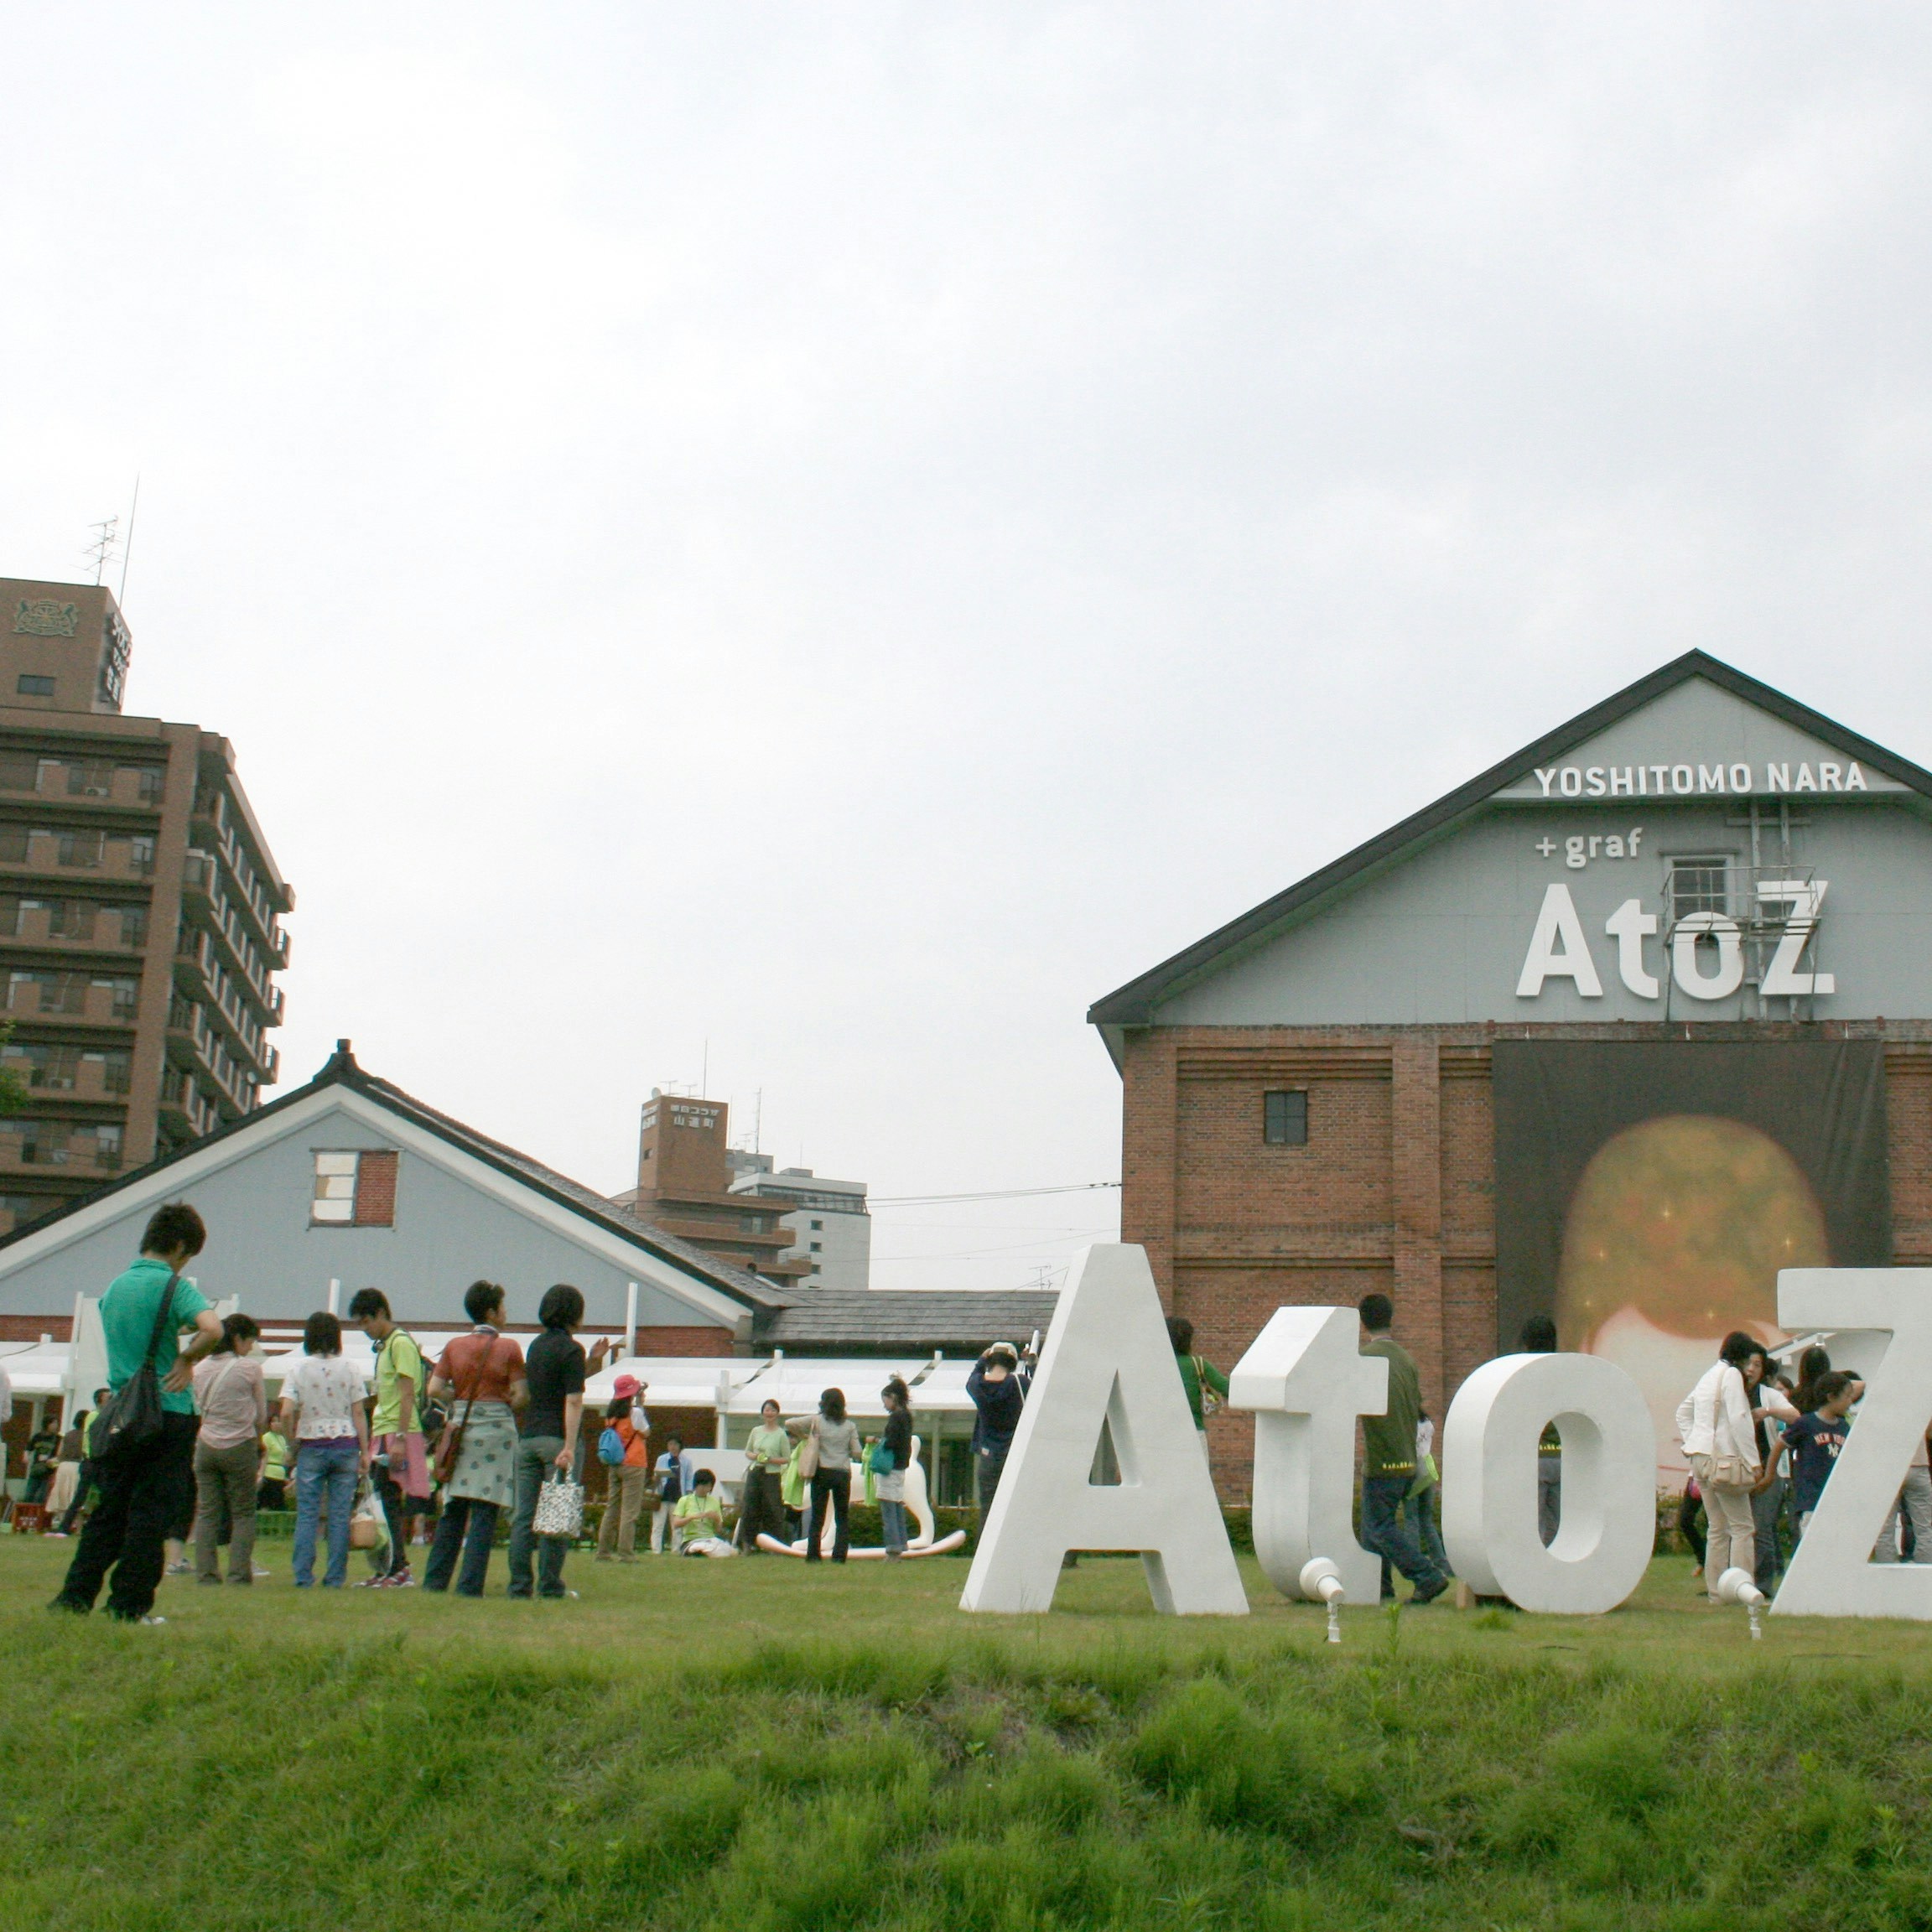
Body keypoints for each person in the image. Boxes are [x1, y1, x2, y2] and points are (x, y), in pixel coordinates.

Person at [52, 1204, 223, 1625]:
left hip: (122, 1414)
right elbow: (214, 1329)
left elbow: (137, 1333)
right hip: (168, 1412)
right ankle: (128, 1605)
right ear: (180, 1247)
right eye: (188, 1255)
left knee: (110, 1510)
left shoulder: (116, 1287)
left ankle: (75, 1597)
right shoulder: (174, 1286)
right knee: (151, 1514)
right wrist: (187, 1358)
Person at [423, 1281, 526, 1597]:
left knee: (455, 1506)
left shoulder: (454, 1346)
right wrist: (504, 1400)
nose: (506, 1312)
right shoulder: (509, 1348)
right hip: (496, 1433)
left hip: (463, 1429)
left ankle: (436, 1580)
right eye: (502, 1307)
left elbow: (434, 1389)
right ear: (492, 1312)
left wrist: (459, 1398)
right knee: (485, 1509)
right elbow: (521, 1395)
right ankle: (469, 1584)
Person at [508, 1283, 607, 1600]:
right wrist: (569, 1446)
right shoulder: (571, 1349)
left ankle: (519, 1585)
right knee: (555, 1513)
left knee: (524, 1517)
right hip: (556, 1439)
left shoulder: (536, 1346)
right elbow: (573, 1399)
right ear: (574, 1314)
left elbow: (550, 1385)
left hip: (528, 1438)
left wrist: (592, 1363)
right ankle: (550, 1586)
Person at [1357, 1293, 1449, 1605]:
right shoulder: (1407, 1360)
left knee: (1379, 1527)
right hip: (1408, 1456)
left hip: (1382, 1456)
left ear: (1363, 1321)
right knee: (1372, 1528)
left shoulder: (1365, 1358)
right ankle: (1380, 1587)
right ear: (1390, 1318)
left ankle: (1427, 1576)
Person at [278, 1310, 371, 1589]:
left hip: (311, 1443)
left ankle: (303, 1576)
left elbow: (285, 1412)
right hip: (346, 1443)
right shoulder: (351, 1368)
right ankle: (335, 1577)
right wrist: (365, 1451)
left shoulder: (298, 1369)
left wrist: (291, 1442)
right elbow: (359, 1413)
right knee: (340, 1515)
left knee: (308, 1514)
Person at [347, 1288, 431, 1588]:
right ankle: (388, 1568)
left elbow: (408, 1394)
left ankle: (399, 1569)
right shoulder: (386, 1347)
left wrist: (400, 1438)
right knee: (382, 1503)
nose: (365, 1329)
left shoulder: (400, 1344)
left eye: (366, 1321)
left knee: (389, 1501)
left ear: (381, 1314)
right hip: (384, 1430)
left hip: (397, 1431)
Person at [1675, 1331, 1762, 1602]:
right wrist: (1753, 1460)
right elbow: (1739, 1418)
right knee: (1742, 1527)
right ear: (1742, 1356)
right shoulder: (1732, 1375)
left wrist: (1694, 1441)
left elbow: (1682, 1412)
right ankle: (1741, 1590)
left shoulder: (1709, 1375)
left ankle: (1716, 1593)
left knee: (1717, 1528)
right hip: (1723, 1459)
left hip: (1699, 1458)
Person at [191, 1313, 267, 1586]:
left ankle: (206, 1574)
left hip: (206, 1444)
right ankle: (238, 1574)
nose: (251, 1347)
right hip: (240, 1444)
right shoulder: (249, 1369)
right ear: (237, 1339)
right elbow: (261, 1415)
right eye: (250, 1341)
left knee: (207, 1512)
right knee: (243, 1513)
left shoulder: (199, 1369)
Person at [1780, 1371, 1857, 1544]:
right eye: (1847, 1396)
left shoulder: (1844, 1427)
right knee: (1812, 1543)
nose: (1850, 1401)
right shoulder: (1806, 1423)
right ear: (1831, 1397)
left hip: (1836, 1498)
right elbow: (1781, 1444)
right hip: (1811, 1499)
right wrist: (1771, 1474)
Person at [1747, 1352, 1800, 1592]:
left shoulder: (1768, 1395)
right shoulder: (1730, 1393)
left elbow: (1795, 1416)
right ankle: (1737, 1579)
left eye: (1757, 1364)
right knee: (1736, 1529)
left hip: (1769, 1467)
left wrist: (1768, 1411)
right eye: (1747, 1363)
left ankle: (1763, 1585)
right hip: (1737, 1467)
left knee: (1762, 1527)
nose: (1751, 1369)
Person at [966, 1343, 1032, 1519]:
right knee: (1016, 1510)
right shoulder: (1020, 1383)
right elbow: (1042, 1389)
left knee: (988, 1511)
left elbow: (973, 1377)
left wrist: (982, 1360)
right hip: (1014, 1454)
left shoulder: (977, 1385)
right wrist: (1031, 1363)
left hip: (988, 1456)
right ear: (1012, 1362)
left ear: (990, 1361)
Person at [1517, 1316, 1562, 1545]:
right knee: (1561, 1525)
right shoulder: (1563, 1370)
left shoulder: (1521, 1372)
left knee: (1534, 1527)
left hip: (1534, 1457)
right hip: (1563, 1457)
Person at [595, 1377, 651, 1561]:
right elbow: (646, 1432)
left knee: (612, 1509)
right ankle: (626, 1553)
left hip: (615, 1464)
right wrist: (641, 1405)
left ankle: (603, 1552)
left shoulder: (611, 1414)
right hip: (634, 1464)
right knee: (629, 1512)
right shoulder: (635, 1413)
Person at [802, 1388, 858, 1564]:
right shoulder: (850, 1426)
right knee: (842, 1516)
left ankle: (813, 1554)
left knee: (818, 1516)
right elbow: (857, 1451)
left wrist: (808, 1437)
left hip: (822, 1471)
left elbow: (790, 1424)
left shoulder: (817, 1421)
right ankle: (839, 1555)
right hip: (842, 1472)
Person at [49, 1389, 112, 1536]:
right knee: (81, 1496)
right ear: (99, 1400)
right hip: (92, 1461)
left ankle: (103, 1528)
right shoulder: (94, 1415)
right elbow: (92, 1436)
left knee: (106, 1495)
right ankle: (65, 1527)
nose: (111, 1400)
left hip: (100, 1461)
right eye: (108, 1398)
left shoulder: (108, 1416)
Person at [1167, 1317, 1229, 1459]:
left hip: (1160, 1434)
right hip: (1194, 1431)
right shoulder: (1198, 1364)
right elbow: (1227, 1388)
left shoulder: (1154, 1365)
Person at [736, 1397, 790, 1551]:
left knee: (772, 1509)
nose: (769, 1413)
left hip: (772, 1474)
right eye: (767, 1410)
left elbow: (787, 1458)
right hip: (755, 1471)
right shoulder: (756, 1431)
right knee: (750, 1507)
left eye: (773, 1410)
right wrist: (756, 1456)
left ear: (777, 1413)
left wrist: (770, 1459)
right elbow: (748, 1452)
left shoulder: (781, 1434)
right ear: (762, 1413)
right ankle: (747, 1543)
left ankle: (774, 1545)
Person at [876, 1378, 914, 1558]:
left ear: (892, 1397)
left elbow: (891, 1442)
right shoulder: (907, 1416)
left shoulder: (896, 1418)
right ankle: (901, 1543)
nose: (885, 1405)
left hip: (890, 1467)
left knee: (888, 1507)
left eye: (885, 1400)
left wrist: (877, 1441)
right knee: (897, 1505)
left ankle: (893, 1547)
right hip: (901, 1466)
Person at [672, 1468, 735, 1555]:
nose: (705, 1489)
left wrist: (716, 1519)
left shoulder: (714, 1502)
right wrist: (691, 1517)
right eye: (703, 1486)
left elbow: (718, 1531)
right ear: (696, 1485)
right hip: (691, 1540)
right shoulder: (685, 1500)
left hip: (710, 1539)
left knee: (729, 1550)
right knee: (699, 1548)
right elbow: (676, 1524)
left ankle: (708, 1552)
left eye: (708, 1486)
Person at [649, 1435, 693, 1554]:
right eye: (670, 1444)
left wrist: (688, 1497)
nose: (673, 1447)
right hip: (662, 1496)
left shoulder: (686, 1461)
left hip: (678, 1497)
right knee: (658, 1525)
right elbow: (655, 1476)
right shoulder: (662, 1459)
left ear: (680, 1446)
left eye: (675, 1444)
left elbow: (689, 1479)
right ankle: (656, 1550)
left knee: (677, 1526)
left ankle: (676, 1550)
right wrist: (657, 1477)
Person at [23, 1419, 62, 1505]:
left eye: (56, 1423)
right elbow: (28, 1448)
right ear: (47, 1424)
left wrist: (54, 1459)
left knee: (41, 1497)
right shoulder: (37, 1437)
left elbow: (61, 1454)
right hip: (36, 1469)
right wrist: (26, 1456)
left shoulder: (58, 1438)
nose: (56, 1426)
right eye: (53, 1423)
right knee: (28, 1496)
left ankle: (39, 1512)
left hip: (49, 1471)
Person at [257, 1424, 292, 1511]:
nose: (276, 1424)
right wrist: (261, 1473)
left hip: (280, 1473)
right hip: (269, 1473)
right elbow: (264, 1455)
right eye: (274, 1421)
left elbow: (285, 1457)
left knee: (279, 1505)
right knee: (266, 1503)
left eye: (278, 1421)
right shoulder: (267, 1437)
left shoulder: (282, 1438)